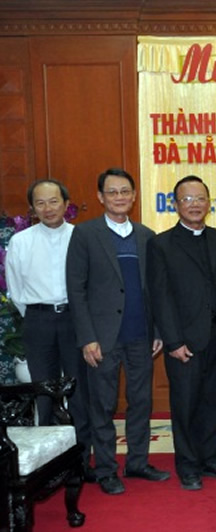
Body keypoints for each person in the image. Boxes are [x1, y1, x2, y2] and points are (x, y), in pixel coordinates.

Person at [65, 168, 170, 495]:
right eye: (112, 192)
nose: (120, 197)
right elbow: (76, 288)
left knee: (141, 402)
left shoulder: (146, 235)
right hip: (103, 339)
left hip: (141, 335)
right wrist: (87, 338)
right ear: (100, 197)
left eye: (125, 191)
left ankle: (138, 462)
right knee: (103, 406)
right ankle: (107, 469)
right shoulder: (85, 234)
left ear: (134, 196)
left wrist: (157, 329)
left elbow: (154, 288)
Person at [147, 175, 216, 491]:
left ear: (209, 202)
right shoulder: (161, 244)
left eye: (200, 198)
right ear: (176, 204)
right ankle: (188, 465)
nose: (194, 204)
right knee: (185, 404)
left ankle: (212, 460)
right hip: (184, 340)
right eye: (187, 199)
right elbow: (160, 297)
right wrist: (172, 341)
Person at [7, 178, 93, 477]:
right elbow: (16, 290)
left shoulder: (81, 237)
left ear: (66, 204)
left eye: (54, 201)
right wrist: (37, 313)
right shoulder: (20, 241)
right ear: (32, 208)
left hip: (75, 320)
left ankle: (81, 463)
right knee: (44, 391)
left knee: (79, 392)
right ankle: (47, 466)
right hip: (38, 321)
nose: (48, 208)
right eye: (40, 203)